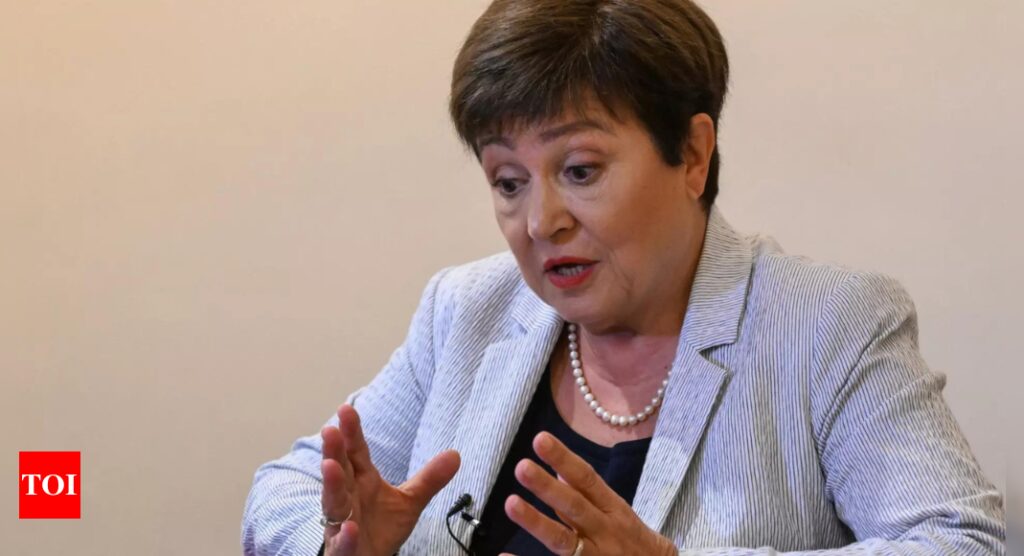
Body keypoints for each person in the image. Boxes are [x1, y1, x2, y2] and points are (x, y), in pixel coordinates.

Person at [241, 1, 1006, 554]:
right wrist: (335, 540)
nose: (541, 222)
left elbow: (957, 541)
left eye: (579, 170)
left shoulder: (829, 325)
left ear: (693, 155)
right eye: (508, 182)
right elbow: (284, 488)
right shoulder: (468, 310)